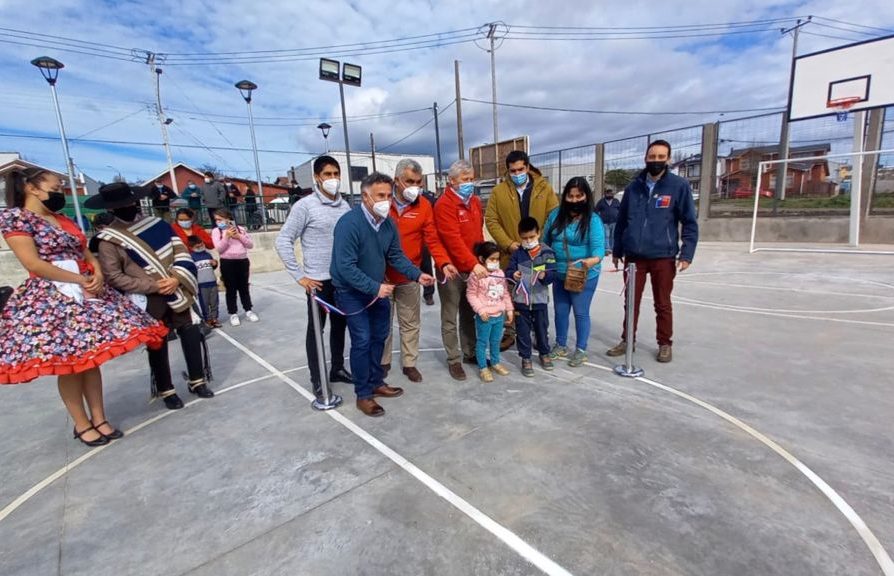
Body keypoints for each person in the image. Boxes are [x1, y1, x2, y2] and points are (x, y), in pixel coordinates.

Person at [0, 169, 167, 447]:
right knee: (70, 365)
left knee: (91, 360)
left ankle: (99, 418)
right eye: (56, 186)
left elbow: (87, 252)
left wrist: (97, 273)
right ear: (32, 187)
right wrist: (80, 278)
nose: (60, 191)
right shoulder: (16, 218)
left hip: (85, 289)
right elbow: (33, 263)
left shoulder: (62, 219)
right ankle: (82, 423)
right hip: (54, 295)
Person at [92, 182, 215, 410]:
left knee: (190, 335)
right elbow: (114, 276)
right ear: (111, 209)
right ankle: (166, 389)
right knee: (157, 344)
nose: (127, 207)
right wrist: (154, 285)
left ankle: (198, 380)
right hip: (148, 298)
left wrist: (177, 277)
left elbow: (182, 253)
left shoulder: (160, 225)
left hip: (176, 289)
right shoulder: (109, 239)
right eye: (121, 205)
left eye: (129, 202)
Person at [331, 172, 435, 417]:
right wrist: (375, 288)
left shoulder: (388, 223)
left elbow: (395, 255)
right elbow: (345, 267)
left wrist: (417, 274)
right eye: (380, 195)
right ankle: (363, 394)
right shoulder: (349, 224)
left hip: (376, 289)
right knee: (363, 340)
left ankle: (377, 381)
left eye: (389, 195)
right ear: (365, 196)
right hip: (352, 292)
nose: (386, 201)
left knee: (380, 335)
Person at [607, 139, 699, 363]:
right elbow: (621, 223)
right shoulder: (633, 188)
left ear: (668, 159)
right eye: (652, 157)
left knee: (662, 303)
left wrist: (686, 253)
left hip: (663, 256)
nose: (656, 161)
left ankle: (665, 343)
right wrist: (617, 250)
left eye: (661, 157)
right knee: (631, 302)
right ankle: (628, 340)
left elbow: (689, 222)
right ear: (645, 158)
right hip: (634, 257)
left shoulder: (679, 186)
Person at [274, 155, 352, 401]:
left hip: (343, 279)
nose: (332, 179)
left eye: (336, 174)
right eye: (327, 175)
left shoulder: (345, 206)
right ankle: (318, 379)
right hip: (318, 281)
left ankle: (337, 368)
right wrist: (300, 276)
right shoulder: (304, 206)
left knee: (341, 327)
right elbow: (283, 240)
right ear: (317, 178)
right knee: (316, 330)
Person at [381, 159, 457, 382]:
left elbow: (432, 239)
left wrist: (443, 262)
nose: (414, 186)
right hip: (382, 277)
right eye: (409, 181)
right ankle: (383, 362)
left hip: (409, 275)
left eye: (418, 182)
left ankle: (409, 363)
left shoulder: (424, 206)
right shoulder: (382, 203)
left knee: (410, 322)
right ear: (396, 181)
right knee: (383, 323)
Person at [485, 150, 559, 352]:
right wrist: (508, 243)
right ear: (507, 171)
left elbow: (553, 217)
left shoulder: (544, 188)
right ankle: (509, 333)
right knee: (509, 295)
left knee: (537, 294)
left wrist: (538, 243)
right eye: (512, 170)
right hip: (512, 253)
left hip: (538, 254)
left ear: (527, 167)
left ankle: (538, 333)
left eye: (520, 169)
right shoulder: (499, 192)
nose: (517, 173)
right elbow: (491, 220)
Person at [543, 176, 605, 368]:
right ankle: (561, 344)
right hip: (559, 273)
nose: (575, 200)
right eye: (570, 196)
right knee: (560, 311)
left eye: (579, 196)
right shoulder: (555, 216)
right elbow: (544, 241)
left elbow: (598, 249)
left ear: (586, 196)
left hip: (583, 275)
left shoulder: (593, 220)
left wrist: (591, 261)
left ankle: (581, 349)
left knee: (580, 312)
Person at [434, 159, 487, 381]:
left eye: (471, 179)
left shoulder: (474, 202)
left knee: (469, 312)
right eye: (465, 180)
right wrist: (471, 264)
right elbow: (452, 240)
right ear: (452, 181)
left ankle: (470, 351)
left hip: (473, 267)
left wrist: (482, 258)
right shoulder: (444, 205)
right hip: (453, 269)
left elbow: (478, 233)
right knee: (450, 314)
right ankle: (454, 360)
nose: (469, 183)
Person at [505, 216, 557, 377]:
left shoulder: (547, 252)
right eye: (525, 238)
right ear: (520, 236)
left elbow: (552, 273)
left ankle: (544, 353)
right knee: (522, 330)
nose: (528, 241)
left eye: (532, 237)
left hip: (540, 299)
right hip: (521, 300)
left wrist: (544, 276)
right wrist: (514, 274)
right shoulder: (518, 254)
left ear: (539, 233)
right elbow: (508, 272)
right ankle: (525, 357)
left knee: (542, 328)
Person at [465, 242, 514, 383]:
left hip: (499, 315)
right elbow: (471, 294)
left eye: (497, 259)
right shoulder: (476, 276)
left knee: (495, 341)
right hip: (485, 317)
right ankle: (483, 367)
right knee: (482, 342)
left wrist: (509, 309)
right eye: (492, 259)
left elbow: (504, 293)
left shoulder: (500, 273)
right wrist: (480, 310)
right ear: (481, 259)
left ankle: (495, 362)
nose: (495, 262)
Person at [211, 208, 257, 326]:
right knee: (230, 289)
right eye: (216, 220)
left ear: (228, 219)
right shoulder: (217, 231)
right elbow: (219, 249)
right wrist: (226, 237)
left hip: (242, 261)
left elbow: (250, 245)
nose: (218, 222)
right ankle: (233, 313)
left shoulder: (240, 229)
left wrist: (239, 237)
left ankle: (248, 310)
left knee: (244, 287)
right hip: (227, 262)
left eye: (220, 219)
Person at [188, 234, 220, 328]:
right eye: (197, 246)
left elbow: (212, 267)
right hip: (201, 285)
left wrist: (215, 264)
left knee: (214, 302)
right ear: (191, 247)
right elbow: (191, 271)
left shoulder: (207, 254)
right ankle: (208, 319)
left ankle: (215, 318)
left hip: (212, 282)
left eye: (201, 244)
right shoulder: (192, 257)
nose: (200, 247)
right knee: (204, 303)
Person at [418, 188, 438, 306]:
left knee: (426, 267)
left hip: (424, 240)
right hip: (408, 241)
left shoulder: (427, 197)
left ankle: (428, 294)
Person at [595, 188, 621, 255]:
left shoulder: (616, 201)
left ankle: (612, 248)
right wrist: (598, 218)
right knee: (606, 235)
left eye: (611, 193)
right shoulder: (601, 201)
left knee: (613, 236)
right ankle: (607, 249)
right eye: (608, 193)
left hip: (615, 221)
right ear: (605, 194)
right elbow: (596, 210)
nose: (609, 194)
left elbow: (621, 210)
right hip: (604, 222)